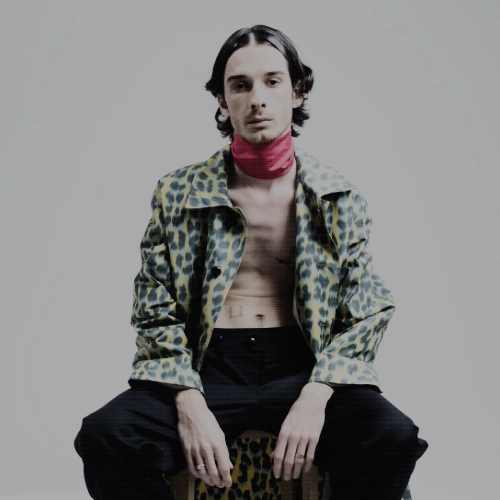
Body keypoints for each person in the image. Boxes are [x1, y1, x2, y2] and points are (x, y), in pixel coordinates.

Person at [75, 25, 428, 500]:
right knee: (105, 435)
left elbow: (366, 309)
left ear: (297, 92)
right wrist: (188, 399)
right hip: (208, 366)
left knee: (392, 436)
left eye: (272, 81)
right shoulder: (178, 192)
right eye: (240, 85)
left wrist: (318, 391)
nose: (256, 99)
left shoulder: (337, 197)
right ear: (222, 101)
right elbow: (153, 305)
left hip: (301, 365)